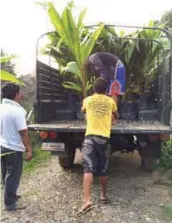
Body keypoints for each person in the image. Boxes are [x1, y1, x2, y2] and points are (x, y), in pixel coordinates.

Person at [78, 78, 117, 216]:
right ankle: (103, 196)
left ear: (93, 89)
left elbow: (83, 110)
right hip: (104, 139)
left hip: (89, 138)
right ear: (106, 90)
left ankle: (87, 200)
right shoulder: (110, 101)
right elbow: (115, 115)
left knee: (88, 168)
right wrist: (112, 117)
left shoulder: (87, 100)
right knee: (103, 169)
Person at [0, 82, 32, 211]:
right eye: (20, 92)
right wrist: (29, 150)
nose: (21, 95)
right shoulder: (17, 110)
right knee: (13, 175)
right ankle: (10, 204)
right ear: (16, 95)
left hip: (2, 145)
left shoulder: (1, 108)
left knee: (6, 174)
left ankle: (10, 195)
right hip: (13, 148)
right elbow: (23, 132)